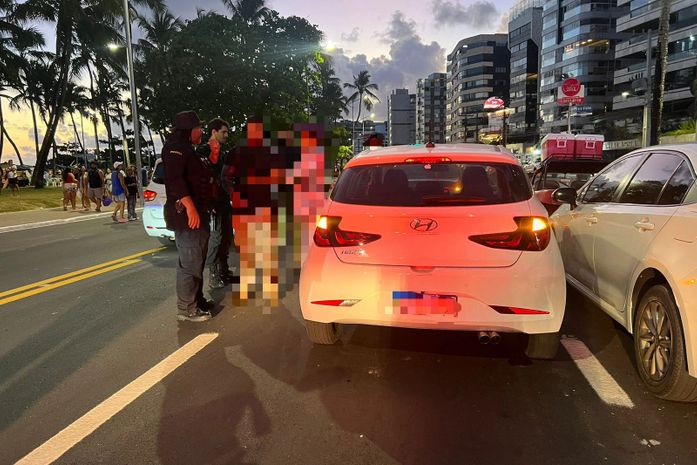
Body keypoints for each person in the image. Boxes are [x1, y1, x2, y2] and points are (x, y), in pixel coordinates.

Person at [162, 110, 215, 322]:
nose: (201, 131)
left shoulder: (188, 149)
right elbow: (175, 180)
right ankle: (187, 308)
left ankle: (197, 300)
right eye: (199, 128)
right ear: (189, 130)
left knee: (198, 260)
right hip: (185, 215)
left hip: (198, 213)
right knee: (190, 262)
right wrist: (190, 207)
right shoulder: (175, 148)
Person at [197, 118, 235, 289]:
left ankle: (223, 270)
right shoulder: (203, 151)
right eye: (223, 132)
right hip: (212, 204)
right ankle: (212, 275)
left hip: (224, 201)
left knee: (226, 237)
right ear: (214, 132)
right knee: (216, 237)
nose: (226, 135)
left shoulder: (223, 152)